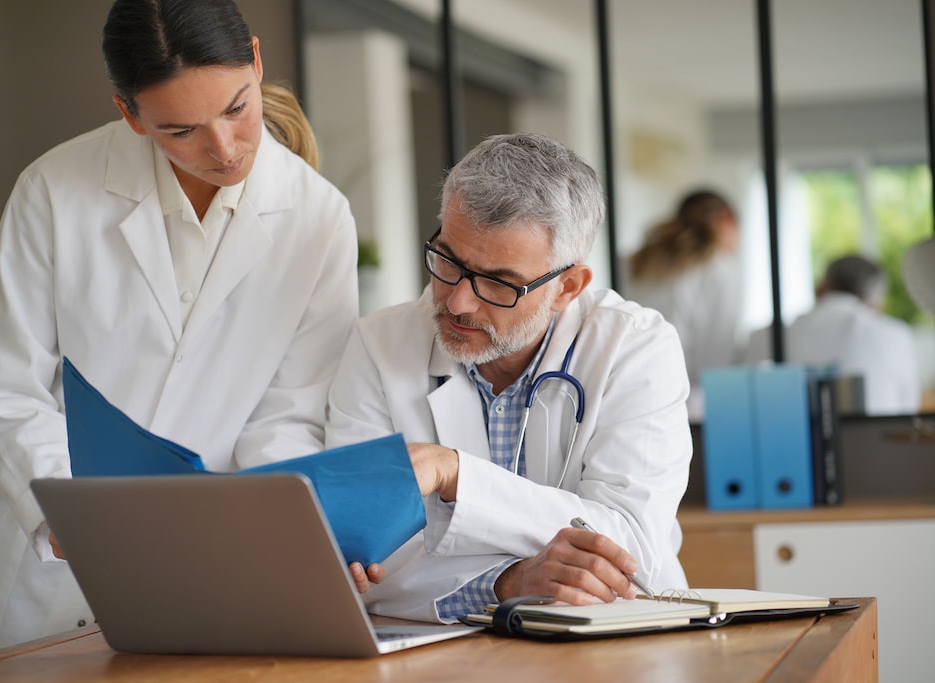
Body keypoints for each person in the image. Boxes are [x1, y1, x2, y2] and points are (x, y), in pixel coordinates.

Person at [0, 0, 358, 663]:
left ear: (256, 57)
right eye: (180, 129)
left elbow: (287, 414)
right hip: (38, 555)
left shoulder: (320, 219)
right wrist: (80, 523)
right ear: (130, 114)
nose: (223, 149)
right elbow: (5, 386)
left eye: (236, 108)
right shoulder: (54, 189)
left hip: (198, 561)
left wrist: (288, 547)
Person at [325, 133, 692, 623]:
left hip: (618, 641)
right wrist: (507, 583)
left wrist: (455, 474)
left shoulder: (635, 348)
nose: (458, 302)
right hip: (445, 658)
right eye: (449, 262)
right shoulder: (377, 346)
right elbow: (356, 558)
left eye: (498, 282)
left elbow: (626, 548)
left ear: (567, 286)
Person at [744, 255, 921, 416]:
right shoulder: (896, 336)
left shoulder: (764, 337)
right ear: (875, 303)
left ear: (819, 289)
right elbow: (908, 412)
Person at [624, 189, 742, 420]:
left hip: (631, 389)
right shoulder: (720, 268)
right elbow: (718, 350)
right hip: (689, 401)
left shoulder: (636, 261)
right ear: (725, 218)